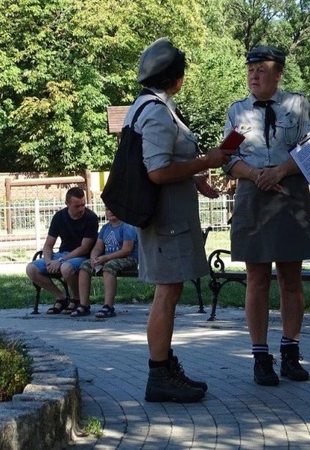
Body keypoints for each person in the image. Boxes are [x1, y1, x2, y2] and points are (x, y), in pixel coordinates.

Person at [131, 37, 233, 403]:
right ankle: (159, 374)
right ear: (177, 79)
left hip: (167, 214)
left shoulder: (146, 106)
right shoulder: (158, 112)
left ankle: (164, 364)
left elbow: (160, 165)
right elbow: (157, 172)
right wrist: (205, 162)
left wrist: (195, 179)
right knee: (167, 292)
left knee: (169, 292)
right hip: (167, 218)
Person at [223, 45, 310, 386]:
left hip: (289, 192)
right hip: (253, 195)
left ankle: (291, 352)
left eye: (261, 70)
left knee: (291, 279)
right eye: (250, 70)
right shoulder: (237, 111)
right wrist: (253, 174)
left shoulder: (297, 104)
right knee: (257, 279)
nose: (254, 75)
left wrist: (279, 171)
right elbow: (227, 156)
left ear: (278, 74)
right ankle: (261, 357)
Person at [26, 187, 99, 314]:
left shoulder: (91, 217)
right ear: (67, 204)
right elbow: (48, 245)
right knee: (31, 269)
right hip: (62, 254)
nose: (81, 209)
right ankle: (61, 297)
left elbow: (85, 247)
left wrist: (60, 260)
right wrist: (49, 261)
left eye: (83, 204)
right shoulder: (59, 217)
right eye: (77, 206)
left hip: (82, 256)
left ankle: (76, 298)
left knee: (66, 267)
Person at [69, 208, 139, 318]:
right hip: (108, 258)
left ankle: (108, 306)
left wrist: (105, 258)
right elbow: (98, 247)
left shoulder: (127, 227)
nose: (110, 211)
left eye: (113, 209)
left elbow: (126, 250)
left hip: (128, 259)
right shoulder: (105, 228)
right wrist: (93, 257)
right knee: (84, 266)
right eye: (107, 209)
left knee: (109, 267)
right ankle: (84, 305)